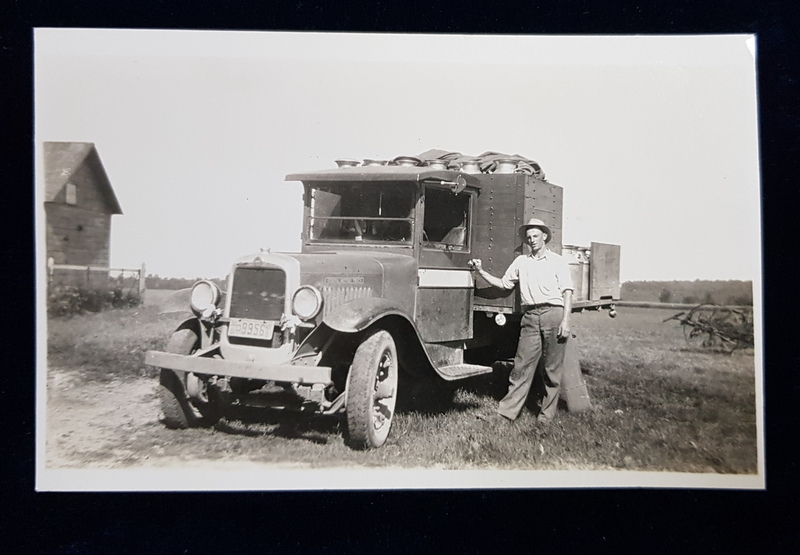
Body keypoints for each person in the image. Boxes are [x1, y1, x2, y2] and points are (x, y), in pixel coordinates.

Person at [469, 218, 574, 424]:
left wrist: (566, 322)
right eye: (529, 237)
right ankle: (505, 414)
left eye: (535, 236)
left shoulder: (558, 262)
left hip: (554, 313)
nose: (532, 240)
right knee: (520, 366)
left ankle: (545, 417)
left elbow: (567, 292)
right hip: (530, 317)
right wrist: (480, 272)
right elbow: (503, 284)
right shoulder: (521, 262)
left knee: (551, 370)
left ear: (544, 237)